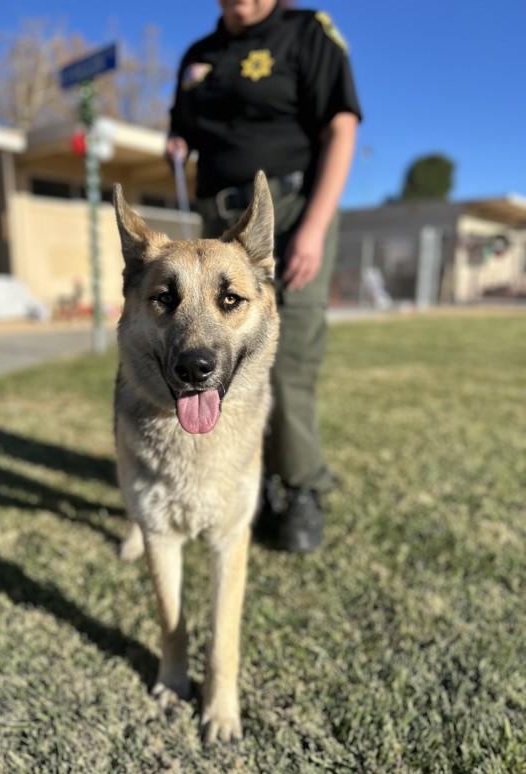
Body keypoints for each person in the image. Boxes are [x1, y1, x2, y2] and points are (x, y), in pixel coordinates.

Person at [166, 0, 362, 552]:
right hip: (215, 222)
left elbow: (341, 128)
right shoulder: (199, 53)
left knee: (287, 358)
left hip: (291, 212)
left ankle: (299, 486)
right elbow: (182, 128)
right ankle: (239, 481)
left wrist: (313, 229)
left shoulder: (306, 32)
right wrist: (176, 143)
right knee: (214, 356)